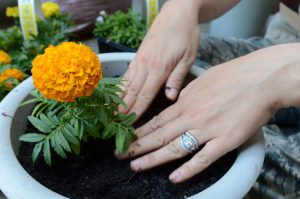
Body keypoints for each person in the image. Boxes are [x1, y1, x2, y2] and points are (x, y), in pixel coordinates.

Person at [115, 0, 300, 198]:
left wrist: (277, 78)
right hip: (290, 34)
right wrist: (182, 7)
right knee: (171, 63)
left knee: (243, 159)